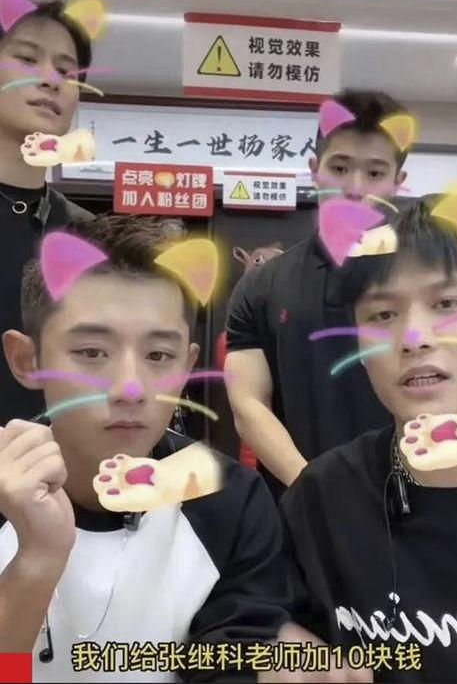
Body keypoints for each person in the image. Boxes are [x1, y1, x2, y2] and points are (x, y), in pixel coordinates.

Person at [0, 214, 291, 683]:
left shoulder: (226, 500)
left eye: (158, 356)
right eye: (92, 352)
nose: (131, 388)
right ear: (27, 360)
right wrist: (35, 563)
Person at [281, 197, 457, 682]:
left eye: (447, 304)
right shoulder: (323, 495)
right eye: (382, 314)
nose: (414, 338)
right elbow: (246, 619)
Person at [224, 89, 409, 498]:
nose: (355, 188)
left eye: (375, 173)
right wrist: (315, 490)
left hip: (419, 501)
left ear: (398, 182)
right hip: (299, 501)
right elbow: (248, 406)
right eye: (340, 167)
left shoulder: (432, 285)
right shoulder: (261, 285)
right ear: (314, 169)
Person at [0, 0, 94, 425]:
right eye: (26, 58)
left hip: (64, 460)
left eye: (66, 71)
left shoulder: (89, 235)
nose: (51, 80)